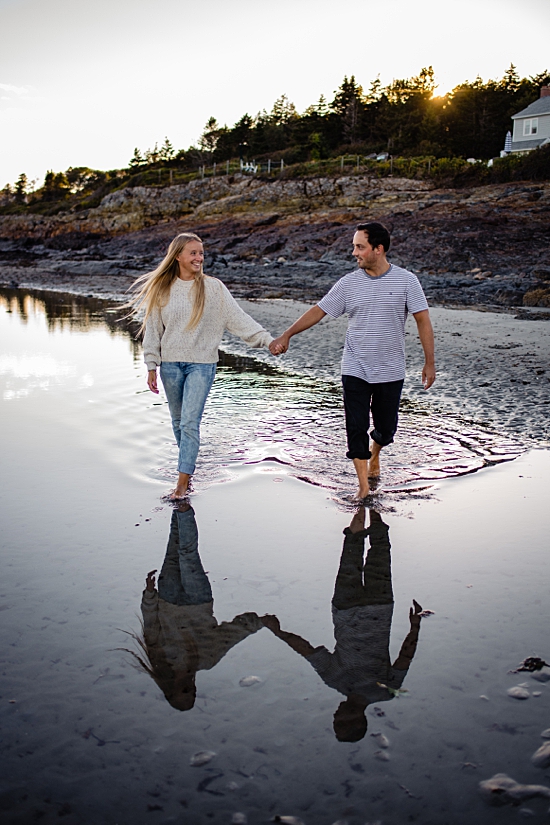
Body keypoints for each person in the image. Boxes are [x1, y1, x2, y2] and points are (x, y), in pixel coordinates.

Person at [269, 222, 435, 498]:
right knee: (355, 426)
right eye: (354, 246)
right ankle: (362, 487)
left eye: (360, 247)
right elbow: (318, 310)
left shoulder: (407, 281)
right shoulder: (348, 283)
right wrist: (287, 335)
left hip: (390, 369)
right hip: (355, 366)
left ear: (378, 249)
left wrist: (429, 362)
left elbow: (423, 321)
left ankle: (376, 454)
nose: (354, 252)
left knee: (385, 428)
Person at [129, 232, 274, 499]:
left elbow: (237, 318)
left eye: (201, 253)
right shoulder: (162, 289)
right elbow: (152, 329)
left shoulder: (214, 288)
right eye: (193, 253)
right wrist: (151, 365)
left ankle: (182, 483)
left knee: (189, 423)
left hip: (202, 365)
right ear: (178, 256)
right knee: (178, 422)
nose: (199, 258)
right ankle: (187, 471)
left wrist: (267, 340)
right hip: (170, 365)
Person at [261, 507, 424, 742]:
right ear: (357, 720)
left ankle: (364, 504)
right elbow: (404, 659)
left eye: (335, 720)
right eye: (340, 720)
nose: (336, 714)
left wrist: (278, 631)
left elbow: (307, 650)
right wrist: (415, 627)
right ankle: (372, 504)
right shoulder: (385, 691)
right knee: (376, 554)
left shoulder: (335, 680)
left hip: (349, 608)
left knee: (354, 553)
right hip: (374, 607)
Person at [129, 502, 263, 711]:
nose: (189, 688)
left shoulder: (160, 656)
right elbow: (232, 634)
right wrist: (258, 623)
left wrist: (149, 594)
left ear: (170, 689)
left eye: (183, 692)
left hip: (168, 596)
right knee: (188, 553)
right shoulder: (207, 659)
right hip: (197, 600)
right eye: (192, 693)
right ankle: (184, 508)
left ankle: (179, 500)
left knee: (173, 547)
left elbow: (150, 623)